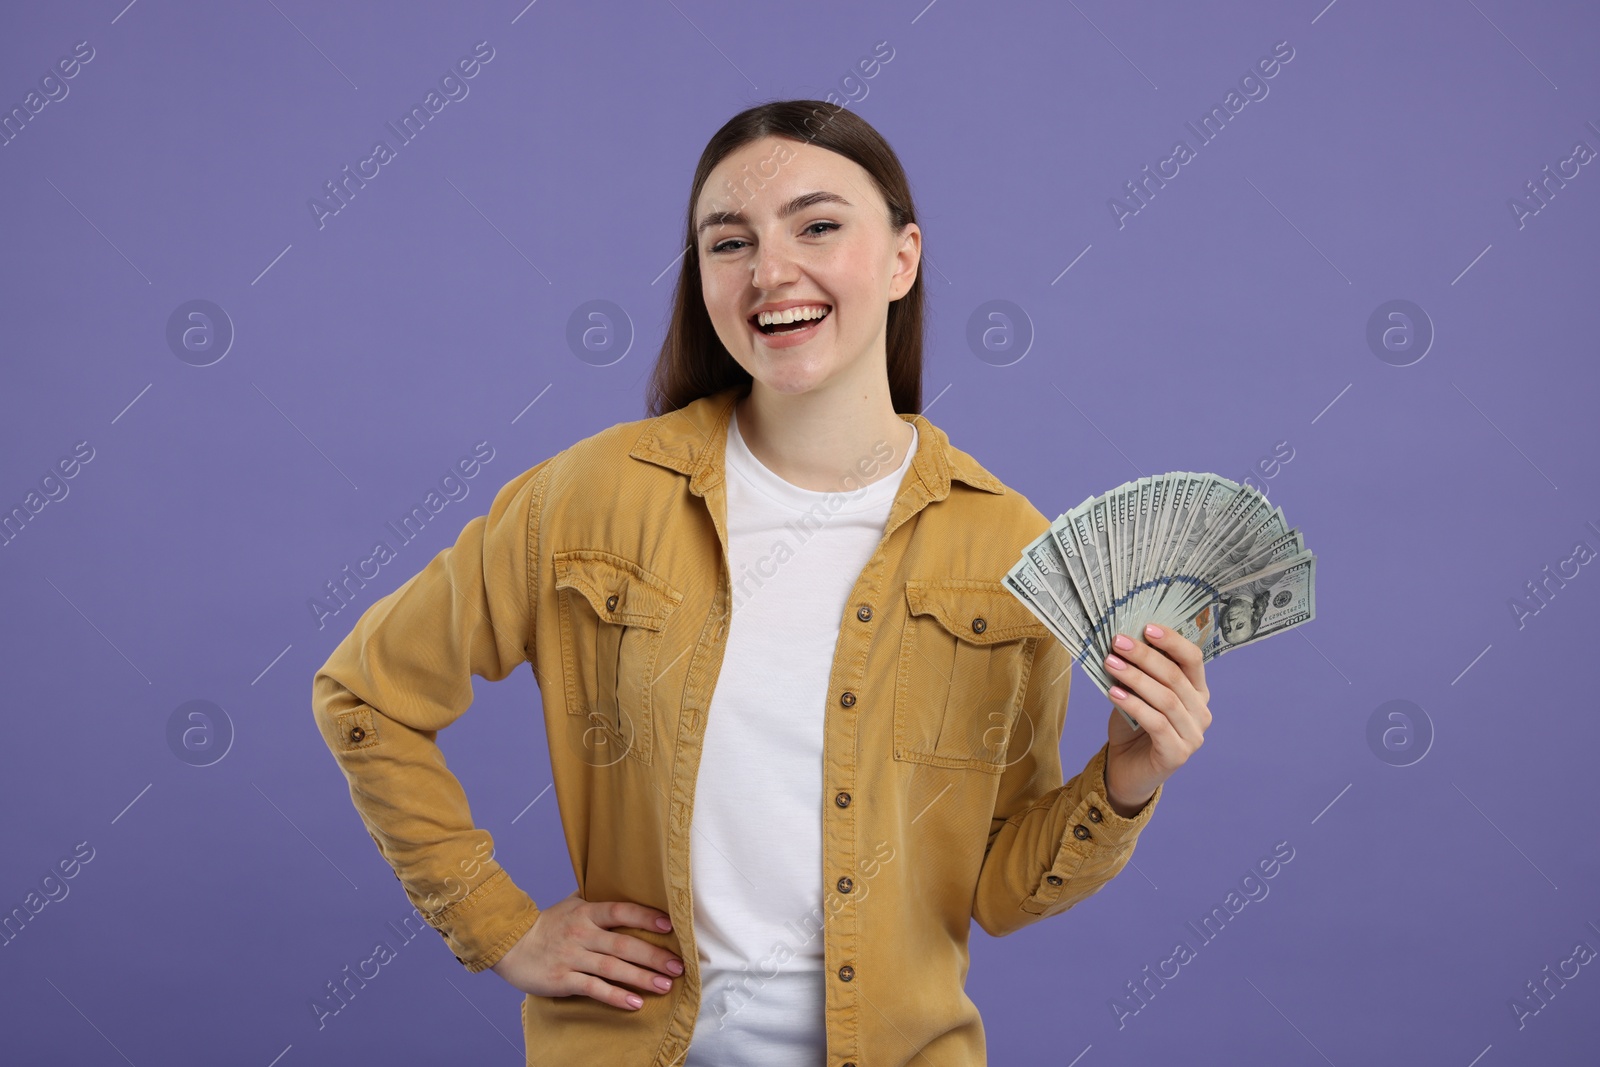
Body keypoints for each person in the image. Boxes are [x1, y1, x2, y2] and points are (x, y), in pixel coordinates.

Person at [312, 99, 1213, 1067]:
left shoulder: (1006, 547)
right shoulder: (588, 499)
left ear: (903, 257)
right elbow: (365, 693)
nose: (770, 272)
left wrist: (1125, 779)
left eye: (817, 226)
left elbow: (997, 886)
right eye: (728, 242)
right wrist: (496, 923)